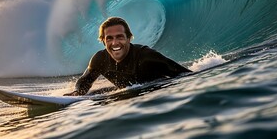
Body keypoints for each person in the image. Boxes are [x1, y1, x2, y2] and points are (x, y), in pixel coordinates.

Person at [64, 17, 192, 96]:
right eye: (109, 38)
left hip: (156, 95)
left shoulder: (146, 56)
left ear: (129, 38)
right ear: (103, 41)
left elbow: (185, 75)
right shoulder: (99, 59)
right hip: (127, 101)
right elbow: (85, 80)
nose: (115, 43)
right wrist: (77, 92)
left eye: (120, 37)